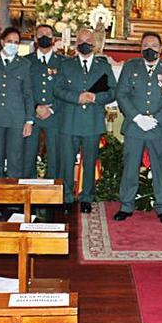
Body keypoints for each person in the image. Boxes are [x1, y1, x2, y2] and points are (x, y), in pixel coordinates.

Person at [115, 32, 162, 223]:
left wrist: (157, 118)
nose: (149, 48)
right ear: (140, 48)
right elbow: (122, 94)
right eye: (145, 45)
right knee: (130, 168)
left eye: (153, 45)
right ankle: (126, 205)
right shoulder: (130, 67)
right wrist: (137, 117)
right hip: (134, 127)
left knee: (160, 168)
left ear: (161, 49)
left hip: (158, 128)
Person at [55, 28, 117, 214]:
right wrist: (77, 97)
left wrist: (96, 98)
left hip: (92, 121)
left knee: (90, 161)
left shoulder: (103, 66)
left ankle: (86, 198)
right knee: (66, 162)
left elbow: (112, 91)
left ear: (95, 43)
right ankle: (66, 197)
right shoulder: (66, 65)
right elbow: (57, 90)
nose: (84, 44)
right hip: (70, 121)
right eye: (81, 40)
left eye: (88, 40)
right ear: (75, 44)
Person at [0, 27, 33, 180]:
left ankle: (14, 201)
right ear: (2, 41)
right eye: (10, 41)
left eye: (16, 42)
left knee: (15, 160)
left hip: (16, 119)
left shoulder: (24, 64)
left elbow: (28, 94)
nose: (13, 45)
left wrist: (29, 120)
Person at [23, 24, 62, 180]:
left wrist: (51, 109)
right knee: (28, 156)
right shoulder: (26, 62)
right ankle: (28, 196)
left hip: (54, 116)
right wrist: (35, 108)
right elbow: (23, 89)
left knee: (55, 157)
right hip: (32, 116)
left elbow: (66, 89)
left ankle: (52, 199)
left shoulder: (63, 62)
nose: (44, 37)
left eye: (48, 34)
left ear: (54, 39)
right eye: (40, 34)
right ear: (35, 38)